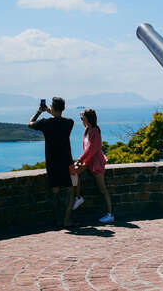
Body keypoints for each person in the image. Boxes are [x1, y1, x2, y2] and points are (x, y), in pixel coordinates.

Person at [28, 97, 76, 227]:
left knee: (55, 192)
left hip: (52, 162)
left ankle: (58, 220)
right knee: (71, 191)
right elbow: (59, 118)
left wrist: (40, 111)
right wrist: (50, 111)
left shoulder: (45, 123)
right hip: (68, 162)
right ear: (64, 108)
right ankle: (67, 219)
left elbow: (30, 123)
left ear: (52, 107)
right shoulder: (69, 122)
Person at [73, 109, 113, 223]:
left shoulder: (95, 131)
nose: (81, 120)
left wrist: (80, 159)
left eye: (82, 118)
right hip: (88, 161)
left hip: (96, 162)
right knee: (74, 173)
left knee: (102, 189)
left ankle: (110, 214)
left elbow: (91, 148)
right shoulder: (86, 130)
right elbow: (87, 148)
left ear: (88, 118)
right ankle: (78, 197)